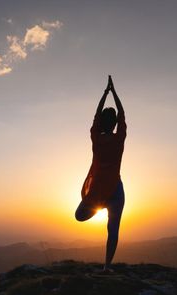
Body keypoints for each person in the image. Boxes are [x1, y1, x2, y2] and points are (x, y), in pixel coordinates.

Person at [75, 75, 126, 273]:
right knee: (113, 229)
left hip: (98, 191)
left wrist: (105, 93)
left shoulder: (96, 139)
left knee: (80, 216)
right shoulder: (119, 139)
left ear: (103, 124)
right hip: (115, 191)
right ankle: (107, 266)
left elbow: (96, 116)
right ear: (113, 124)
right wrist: (114, 92)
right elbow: (122, 114)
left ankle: (107, 268)